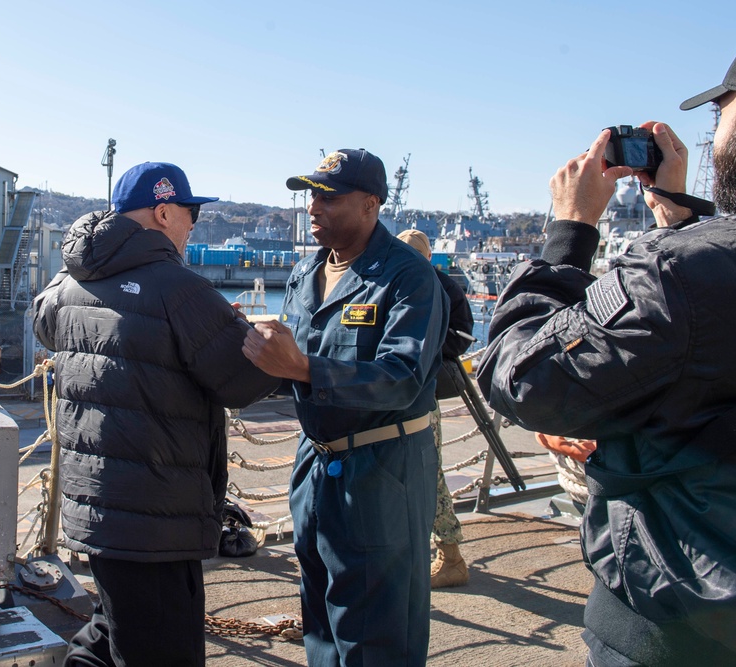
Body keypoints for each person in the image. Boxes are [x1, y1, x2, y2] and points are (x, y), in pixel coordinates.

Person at [477, 10, 736, 665]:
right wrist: (682, 224)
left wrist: (570, 231)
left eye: (721, 115)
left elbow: (518, 377)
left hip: (680, 635)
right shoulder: (695, 265)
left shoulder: (683, 274)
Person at [33, 161, 277, 666]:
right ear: (164, 213)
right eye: (190, 212)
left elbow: (44, 322)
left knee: (112, 630)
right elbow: (244, 380)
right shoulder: (180, 289)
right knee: (162, 651)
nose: (194, 224)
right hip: (156, 517)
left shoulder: (69, 282)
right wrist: (278, 349)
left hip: (96, 507)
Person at [242, 149, 449, 666]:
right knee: (322, 627)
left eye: (329, 196)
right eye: (312, 194)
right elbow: (289, 367)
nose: (314, 206)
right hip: (315, 466)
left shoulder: (409, 277)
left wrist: (304, 367)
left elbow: (401, 378)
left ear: (370, 205)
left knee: (376, 638)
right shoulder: (306, 272)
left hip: (381, 473)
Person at [396, 228, 473, 588]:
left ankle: (450, 552)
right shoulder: (399, 283)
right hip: (397, 390)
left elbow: (462, 335)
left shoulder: (442, 288)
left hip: (421, 391)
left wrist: (426, 348)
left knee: (428, 471)